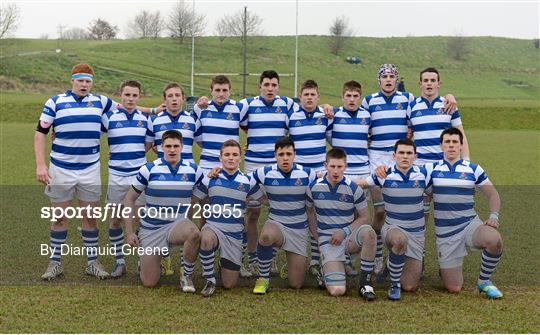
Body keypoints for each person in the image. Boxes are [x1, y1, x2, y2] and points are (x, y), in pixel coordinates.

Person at [375, 127, 504, 299]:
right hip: (446, 235)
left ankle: (484, 281)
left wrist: (493, 216)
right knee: (453, 287)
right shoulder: (430, 169)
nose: (451, 146)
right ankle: (437, 269)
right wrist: (383, 170)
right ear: (441, 146)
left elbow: (493, 194)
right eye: (447, 142)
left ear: (460, 145)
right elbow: (405, 171)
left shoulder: (473, 169)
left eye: (455, 142)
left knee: (494, 240)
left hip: (469, 224)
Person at [361, 64, 458, 275]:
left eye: (392, 76)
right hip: (377, 159)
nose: (388, 79)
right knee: (380, 210)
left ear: (397, 80)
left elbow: (427, 108)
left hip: (402, 158)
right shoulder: (369, 101)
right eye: (384, 76)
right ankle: (378, 256)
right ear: (379, 80)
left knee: (410, 210)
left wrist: (450, 95)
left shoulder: (408, 100)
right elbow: (360, 124)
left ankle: (413, 257)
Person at [36, 63, 116, 280]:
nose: (84, 84)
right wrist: (41, 164)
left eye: (88, 81)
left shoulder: (101, 101)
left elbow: (129, 108)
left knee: (90, 217)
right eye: (80, 80)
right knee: (60, 217)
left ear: (92, 83)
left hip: (90, 169)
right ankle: (55, 263)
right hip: (60, 169)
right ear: (72, 80)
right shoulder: (55, 102)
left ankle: (92, 263)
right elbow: (41, 133)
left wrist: (155, 110)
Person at [123, 130, 202, 291]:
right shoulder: (148, 169)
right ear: (161, 147)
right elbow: (129, 199)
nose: (172, 150)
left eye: (175, 146)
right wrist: (130, 232)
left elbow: (202, 194)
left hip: (177, 225)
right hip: (151, 228)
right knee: (149, 282)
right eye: (168, 146)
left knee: (194, 233)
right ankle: (151, 259)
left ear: (182, 147)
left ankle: (186, 276)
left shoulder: (194, 170)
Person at [356, 139, 429, 300]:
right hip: (393, 229)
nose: (405, 156)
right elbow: (360, 184)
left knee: (410, 286)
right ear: (394, 155)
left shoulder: (424, 174)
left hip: (416, 234)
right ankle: (394, 285)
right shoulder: (384, 174)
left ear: (415, 156)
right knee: (400, 240)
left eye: (409, 153)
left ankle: (391, 264)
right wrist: (332, 178)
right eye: (401, 153)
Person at [193, 140, 263, 297]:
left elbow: (264, 200)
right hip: (214, 228)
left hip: (235, 234)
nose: (230, 158)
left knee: (229, 284)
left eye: (234, 155)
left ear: (240, 158)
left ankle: (223, 261)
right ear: (220, 157)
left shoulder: (248, 181)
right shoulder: (210, 178)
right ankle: (209, 279)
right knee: (205, 237)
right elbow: (192, 198)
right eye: (227, 155)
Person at [306, 148, 377, 300]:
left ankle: (366, 284)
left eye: (340, 167)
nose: (336, 171)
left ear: (346, 167)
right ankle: (325, 269)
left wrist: (344, 231)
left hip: (348, 236)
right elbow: (309, 212)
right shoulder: (313, 187)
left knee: (369, 233)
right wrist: (318, 237)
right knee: (337, 290)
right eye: (332, 166)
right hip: (329, 240)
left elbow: (365, 217)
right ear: (326, 165)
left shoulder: (354, 188)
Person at [250, 137, 317, 294]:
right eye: (281, 154)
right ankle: (263, 278)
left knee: (296, 284)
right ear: (275, 155)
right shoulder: (265, 172)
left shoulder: (308, 174)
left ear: (295, 155)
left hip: (299, 229)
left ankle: (291, 263)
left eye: (288, 154)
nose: (285, 158)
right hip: (277, 224)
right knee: (266, 236)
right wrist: (262, 199)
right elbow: (245, 182)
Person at [101, 80, 153, 277]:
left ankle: (142, 260)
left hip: (138, 178)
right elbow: (89, 131)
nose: (130, 99)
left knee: (138, 218)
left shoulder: (145, 119)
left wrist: (133, 157)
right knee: (115, 220)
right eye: (127, 95)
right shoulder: (108, 117)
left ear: (139, 97)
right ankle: (119, 261)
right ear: (120, 95)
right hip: (116, 176)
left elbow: (147, 145)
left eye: (134, 95)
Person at [287, 79, 332, 285]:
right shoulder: (291, 115)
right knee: (299, 213)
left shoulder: (326, 115)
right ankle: (298, 256)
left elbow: (337, 137)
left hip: (320, 173)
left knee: (318, 214)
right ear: (300, 96)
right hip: (298, 173)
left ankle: (316, 259)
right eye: (306, 94)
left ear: (318, 96)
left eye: (313, 94)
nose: (309, 97)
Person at [328, 80, 371, 276]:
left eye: (355, 96)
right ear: (342, 97)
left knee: (359, 217)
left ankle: (350, 257)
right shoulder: (334, 115)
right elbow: (327, 136)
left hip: (363, 172)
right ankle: (338, 258)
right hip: (343, 172)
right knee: (341, 214)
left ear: (360, 98)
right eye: (348, 96)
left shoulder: (367, 116)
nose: (352, 99)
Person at [408, 67, 469, 166]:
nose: (429, 83)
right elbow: (407, 135)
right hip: (419, 165)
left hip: (444, 164)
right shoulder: (412, 106)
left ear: (438, 84)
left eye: (432, 80)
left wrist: (466, 161)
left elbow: (461, 134)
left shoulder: (449, 104)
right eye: (425, 80)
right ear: (420, 84)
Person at [193, 75, 248, 172]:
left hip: (231, 165)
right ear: (211, 91)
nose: (221, 94)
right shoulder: (200, 108)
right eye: (217, 90)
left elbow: (250, 128)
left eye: (225, 90)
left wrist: (250, 142)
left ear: (230, 91)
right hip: (206, 164)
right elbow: (191, 131)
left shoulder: (240, 108)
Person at [146, 83, 200, 164]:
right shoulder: (153, 120)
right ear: (164, 99)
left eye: (177, 95)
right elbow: (146, 147)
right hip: (162, 172)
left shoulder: (193, 120)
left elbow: (204, 145)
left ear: (183, 98)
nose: (174, 99)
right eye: (170, 96)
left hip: (188, 172)